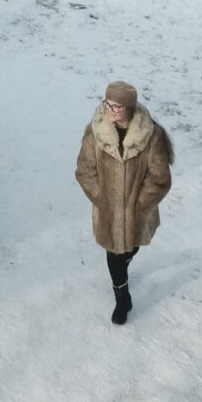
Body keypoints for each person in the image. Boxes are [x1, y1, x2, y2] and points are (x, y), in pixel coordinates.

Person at [75, 81, 173, 325]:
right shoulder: (96, 132)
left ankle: (128, 259)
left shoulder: (150, 136)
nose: (109, 109)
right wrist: (101, 198)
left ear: (128, 107)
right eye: (107, 103)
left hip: (138, 212)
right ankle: (122, 298)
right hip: (107, 213)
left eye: (116, 105)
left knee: (130, 248)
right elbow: (84, 171)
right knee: (115, 256)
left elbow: (160, 179)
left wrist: (139, 206)